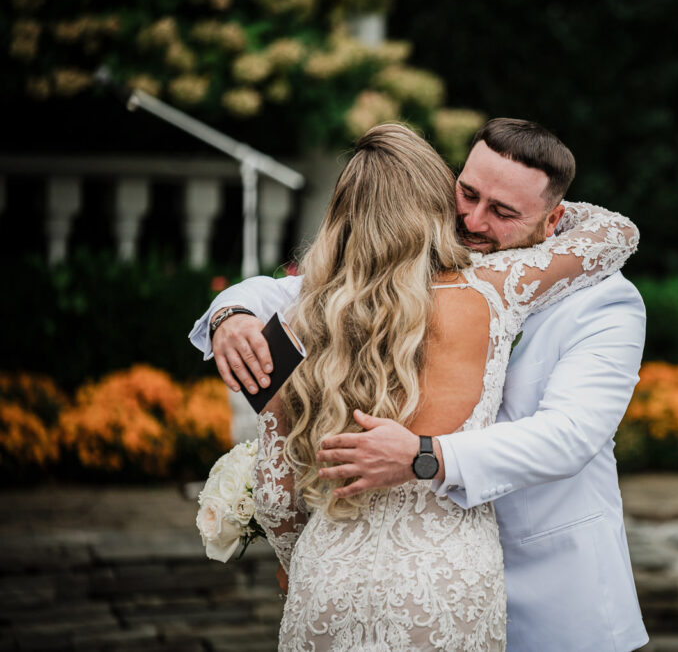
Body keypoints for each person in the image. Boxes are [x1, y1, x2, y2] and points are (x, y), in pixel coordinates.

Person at [190, 118, 650, 651]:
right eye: (467, 193)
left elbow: (569, 435)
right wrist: (233, 314)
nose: (473, 220)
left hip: (550, 596)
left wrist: (423, 455)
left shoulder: (603, 302)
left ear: (553, 223)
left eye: (503, 212)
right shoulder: (405, 278)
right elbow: (301, 288)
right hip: (420, 577)